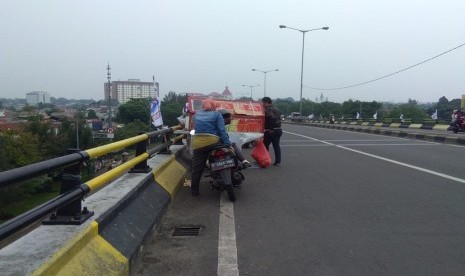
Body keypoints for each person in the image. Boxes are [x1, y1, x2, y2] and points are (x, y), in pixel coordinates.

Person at [190, 99, 231, 196]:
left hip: (198, 144)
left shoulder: (196, 115)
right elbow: (222, 130)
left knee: (197, 168)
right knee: (228, 153)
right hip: (213, 142)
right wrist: (227, 144)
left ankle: (194, 191)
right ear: (213, 105)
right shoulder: (217, 114)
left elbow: (193, 130)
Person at [262, 97, 282, 166]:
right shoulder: (276, 109)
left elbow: (272, 118)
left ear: (266, 102)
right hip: (278, 129)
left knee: (265, 146)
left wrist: (270, 128)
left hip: (271, 130)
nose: (263, 104)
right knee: (276, 146)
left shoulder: (268, 109)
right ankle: (278, 161)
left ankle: (266, 160)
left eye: (263, 103)